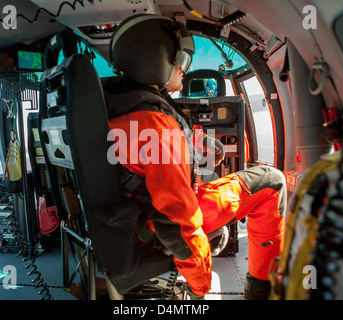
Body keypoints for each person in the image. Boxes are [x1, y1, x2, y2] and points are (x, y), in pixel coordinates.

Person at [104, 14, 286, 300]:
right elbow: (177, 219)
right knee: (271, 183)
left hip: (123, 223)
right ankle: (262, 291)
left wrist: (197, 142)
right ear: (157, 60)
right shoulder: (157, 123)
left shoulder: (115, 106)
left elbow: (142, 155)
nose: (183, 70)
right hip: (154, 227)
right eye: (181, 61)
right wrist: (200, 286)